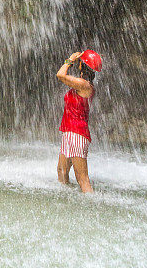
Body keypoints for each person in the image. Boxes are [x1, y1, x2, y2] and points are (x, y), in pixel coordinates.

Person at [56, 49, 102, 193]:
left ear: (82, 65)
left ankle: (94, 208)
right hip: (69, 132)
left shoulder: (84, 85)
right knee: (61, 171)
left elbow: (60, 75)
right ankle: (66, 200)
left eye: (80, 63)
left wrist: (69, 60)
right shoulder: (82, 84)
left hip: (77, 134)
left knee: (82, 178)